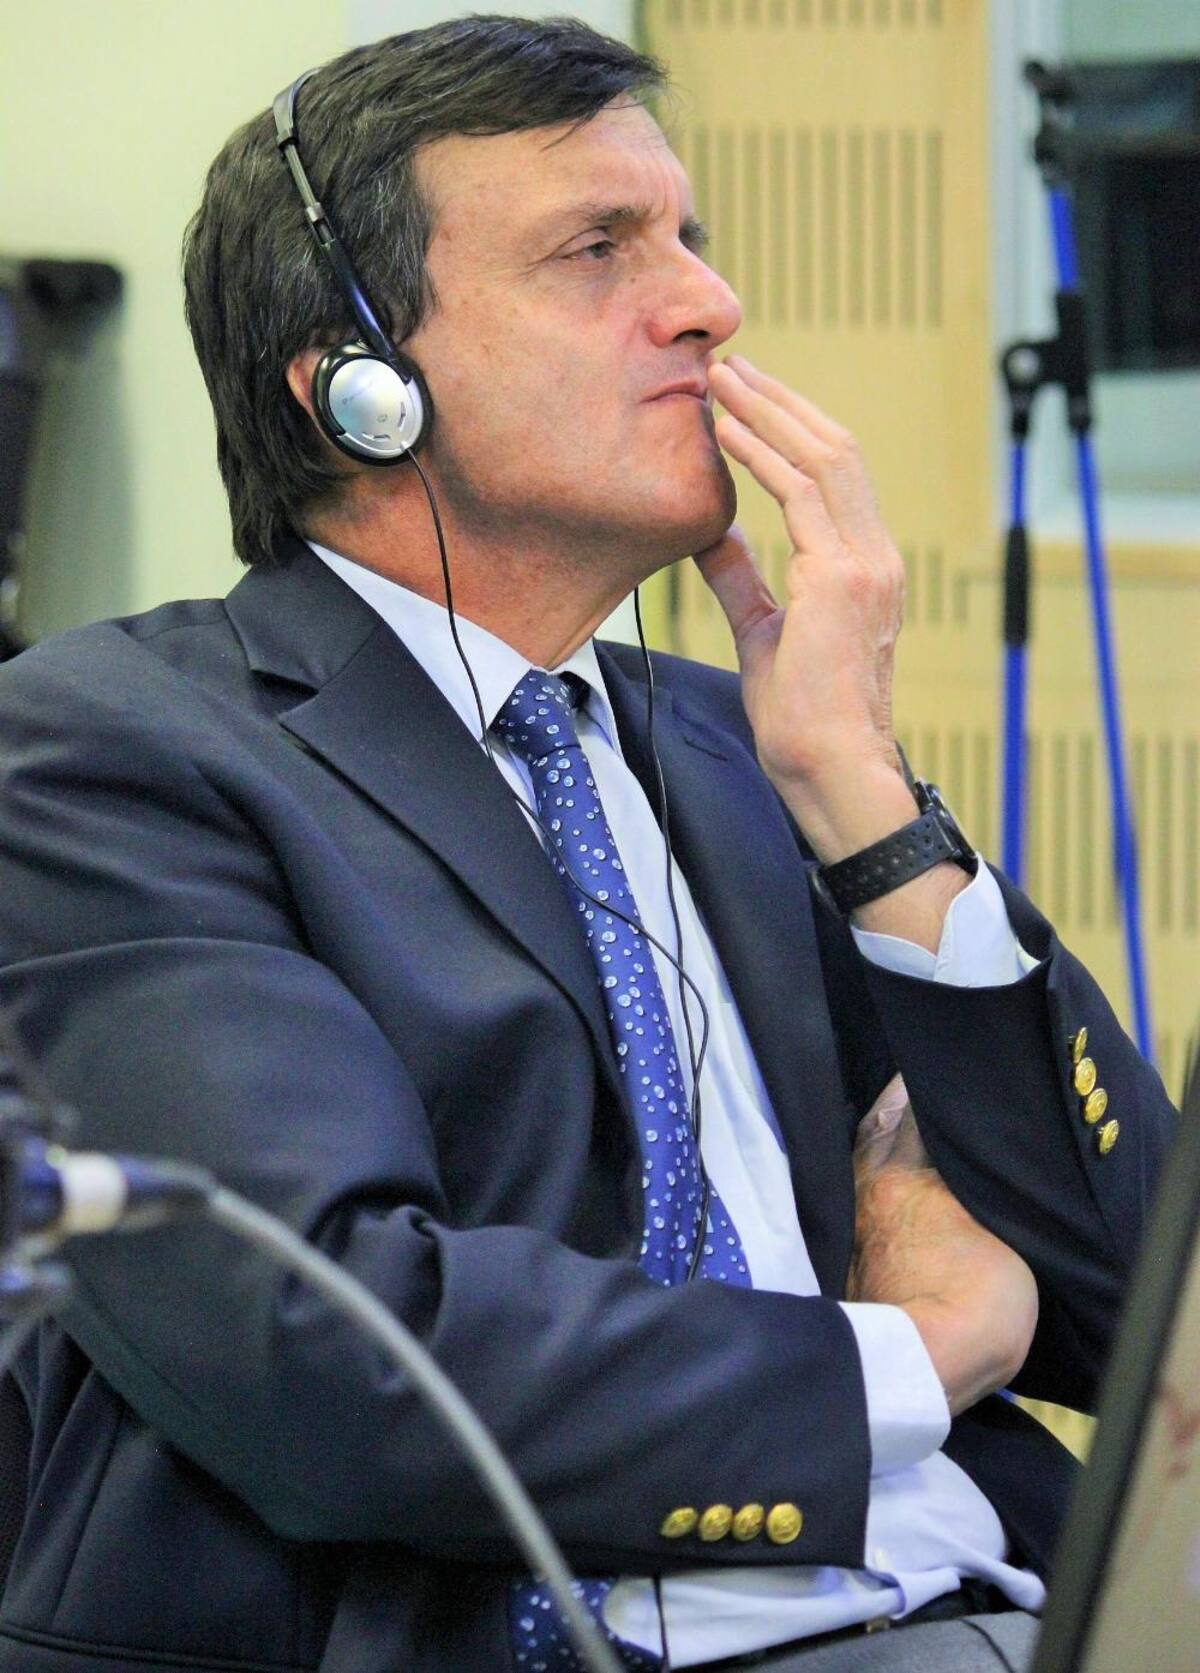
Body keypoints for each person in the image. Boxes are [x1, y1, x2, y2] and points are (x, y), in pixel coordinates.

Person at [0, 17, 1174, 1673]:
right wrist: (913, 1357)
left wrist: (865, 800)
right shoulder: (114, 747)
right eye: (600, 249)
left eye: (688, 236)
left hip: (987, 1606)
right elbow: (332, 1347)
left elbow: (1147, 1321)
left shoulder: (744, 744)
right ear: (359, 387)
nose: (710, 302)